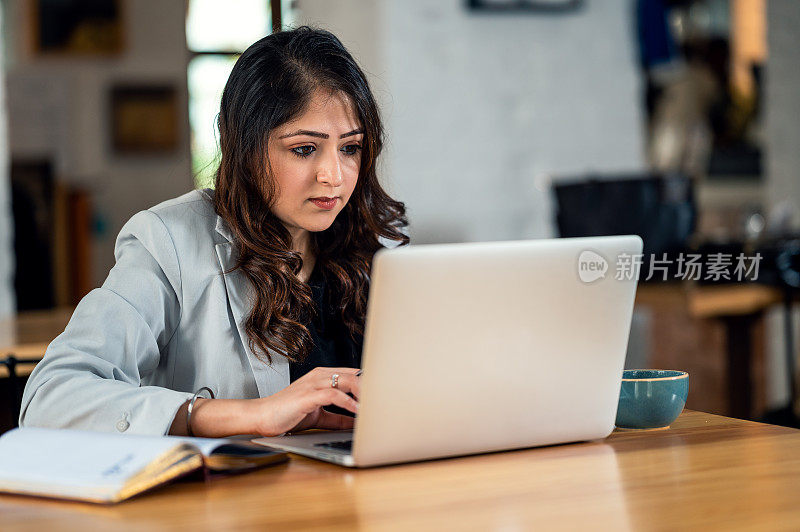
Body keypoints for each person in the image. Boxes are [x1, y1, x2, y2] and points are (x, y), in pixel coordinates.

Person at [19, 27, 409, 438]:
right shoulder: (168, 241)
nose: (334, 176)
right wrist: (252, 415)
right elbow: (50, 397)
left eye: (350, 148)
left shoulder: (375, 245)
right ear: (242, 144)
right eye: (305, 149)